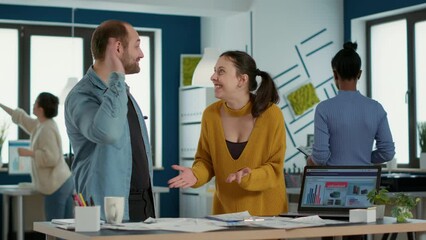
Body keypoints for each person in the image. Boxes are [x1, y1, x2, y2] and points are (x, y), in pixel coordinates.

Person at [168, 50, 288, 216]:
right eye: (215, 71)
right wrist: (195, 175)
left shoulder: (271, 114)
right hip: (225, 216)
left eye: (221, 71)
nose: (213, 77)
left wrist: (250, 176)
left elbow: (275, 168)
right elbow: (205, 161)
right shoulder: (210, 114)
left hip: (267, 214)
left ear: (242, 79)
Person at [65, 19, 155, 222]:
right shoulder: (82, 95)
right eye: (137, 45)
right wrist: (118, 78)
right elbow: (107, 132)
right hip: (103, 213)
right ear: (118, 47)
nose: (141, 54)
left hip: (142, 205)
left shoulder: (122, 92)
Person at [307, 41, 395, 166]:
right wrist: (363, 157)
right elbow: (387, 153)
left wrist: (310, 160)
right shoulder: (376, 108)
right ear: (359, 74)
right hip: (366, 182)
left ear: (335, 74)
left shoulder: (324, 109)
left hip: (333, 182)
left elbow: (320, 157)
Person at [0, 93, 74, 221]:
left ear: (40, 109)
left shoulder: (46, 129)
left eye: (35, 103)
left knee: (55, 229)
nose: (33, 105)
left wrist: (29, 153)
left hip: (57, 185)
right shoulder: (41, 125)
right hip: (63, 183)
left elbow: (52, 158)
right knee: (65, 229)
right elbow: (21, 118)